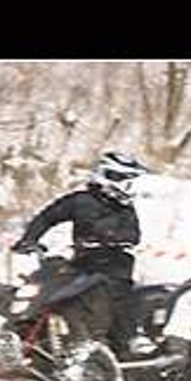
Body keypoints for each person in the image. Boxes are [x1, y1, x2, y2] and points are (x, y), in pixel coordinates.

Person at [10, 151, 150, 354]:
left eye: (130, 181)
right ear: (108, 176)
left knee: (120, 296)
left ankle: (129, 341)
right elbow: (47, 217)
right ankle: (27, 334)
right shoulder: (80, 201)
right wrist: (29, 239)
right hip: (83, 262)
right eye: (124, 180)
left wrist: (112, 238)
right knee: (48, 285)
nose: (128, 186)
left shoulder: (124, 208)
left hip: (115, 264)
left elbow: (133, 235)